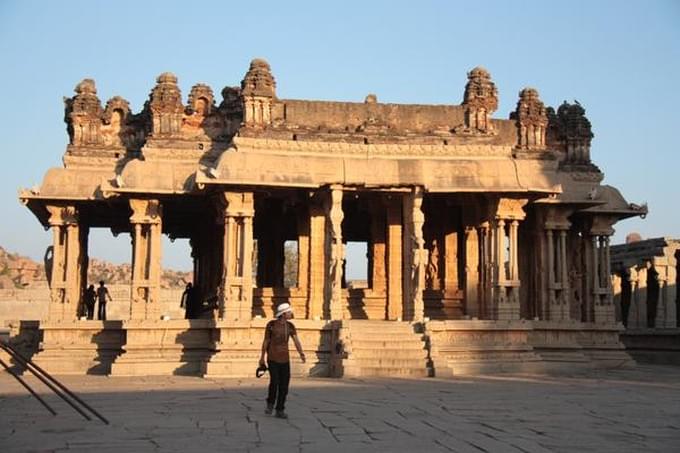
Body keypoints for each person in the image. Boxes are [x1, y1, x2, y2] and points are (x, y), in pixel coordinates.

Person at [258, 303, 305, 419]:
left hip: (285, 358)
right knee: (275, 382)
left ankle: (280, 409)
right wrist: (262, 357)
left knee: (284, 385)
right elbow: (266, 341)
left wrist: (301, 353)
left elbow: (296, 340)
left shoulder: (290, 326)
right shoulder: (271, 325)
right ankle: (270, 403)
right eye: (289, 312)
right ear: (283, 314)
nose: (290, 314)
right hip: (273, 357)